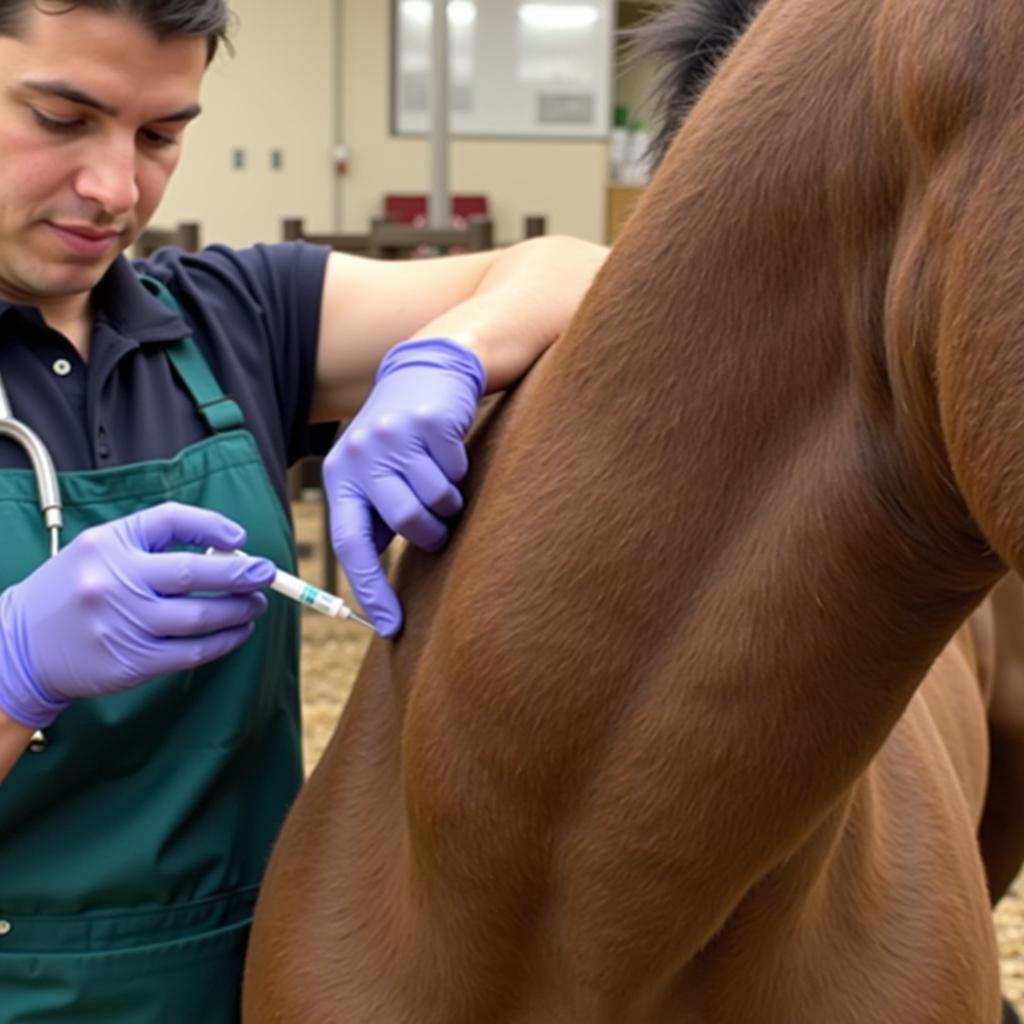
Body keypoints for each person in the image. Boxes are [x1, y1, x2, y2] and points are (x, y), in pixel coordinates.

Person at [0, 0, 607, 1018]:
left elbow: (582, 274)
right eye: (61, 119)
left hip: (256, 987)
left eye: (160, 136)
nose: (115, 189)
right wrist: (17, 667)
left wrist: (449, 352)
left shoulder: (231, 317)